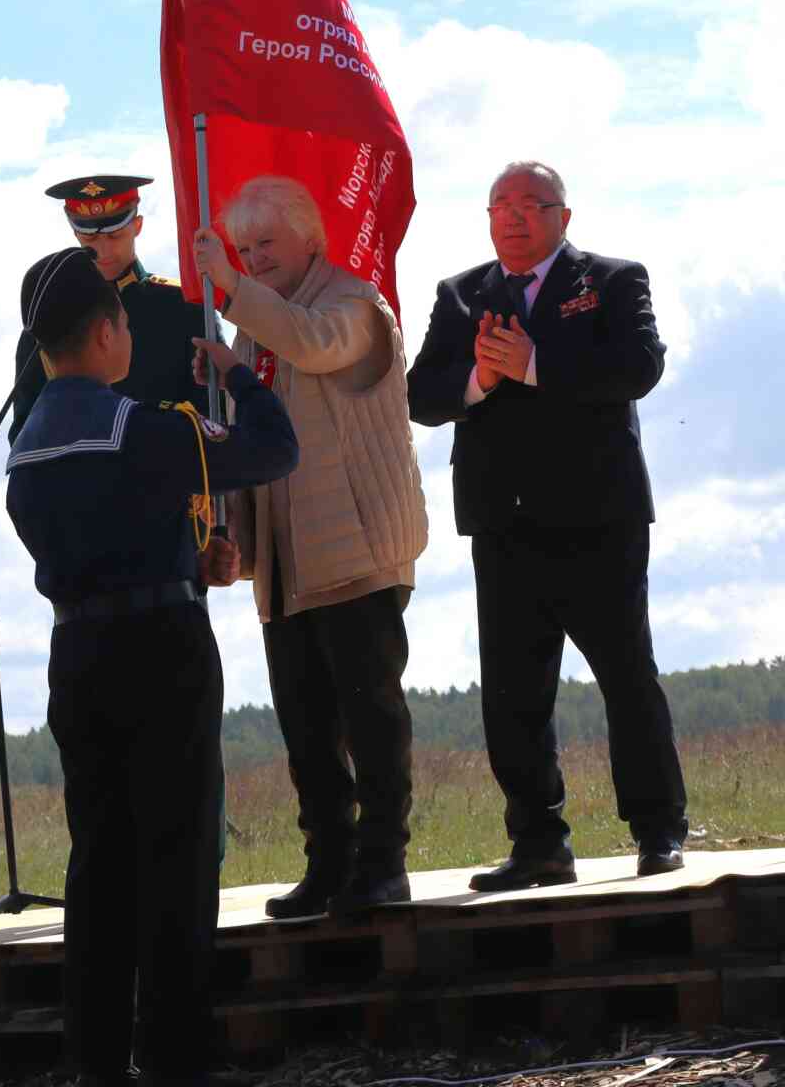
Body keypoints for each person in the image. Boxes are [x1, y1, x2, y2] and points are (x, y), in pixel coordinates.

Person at [4, 248, 298, 1087]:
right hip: (161, 650)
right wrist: (238, 377)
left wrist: (177, 553)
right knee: (176, 860)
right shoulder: (142, 427)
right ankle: (172, 1056)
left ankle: (97, 1059)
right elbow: (273, 450)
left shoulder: (26, 450)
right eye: (125, 323)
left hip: (78, 655)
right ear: (104, 335)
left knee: (98, 862)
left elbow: (95, 536)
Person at [406, 162, 688, 891]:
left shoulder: (613, 280)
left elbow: (639, 367)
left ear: (564, 215)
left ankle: (658, 833)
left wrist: (536, 365)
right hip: (504, 527)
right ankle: (538, 844)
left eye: (532, 204)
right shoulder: (462, 294)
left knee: (627, 679)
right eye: (500, 205)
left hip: (600, 520)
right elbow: (424, 396)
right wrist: (482, 380)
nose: (514, 217)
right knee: (512, 694)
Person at [191, 176, 428, 917]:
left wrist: (229, 294)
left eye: (268, 244)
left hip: (355, 554)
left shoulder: (354, 305)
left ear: (312, 241)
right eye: (245, 247)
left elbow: (316, 345)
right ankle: (329, 864)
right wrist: (229, 533)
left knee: (371, 718)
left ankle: (384, 865)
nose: (254, 258)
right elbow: (250, 443)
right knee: (306, 729)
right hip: (289, 565)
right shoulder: (253, 328)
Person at [10, 174, 206, 446]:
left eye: (114, 236)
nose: (102, 250)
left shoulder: (182, 307)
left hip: (166, 475)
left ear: (137, 226)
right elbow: (25, 430)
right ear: (75, 233)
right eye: (89, 239)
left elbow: (213, 412)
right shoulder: (49, 315)